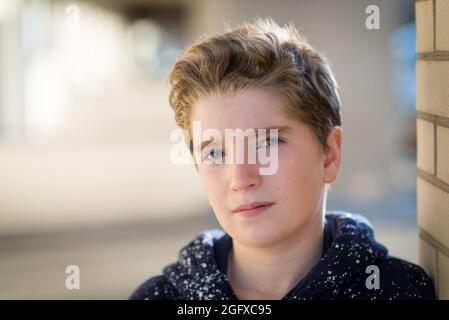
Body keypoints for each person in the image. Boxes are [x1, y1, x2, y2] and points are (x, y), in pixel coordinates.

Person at [130, 18, 435, 300]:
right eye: (216, 152)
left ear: (329, 154)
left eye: (268, 143)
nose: (241, 179)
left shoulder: (398, 290)